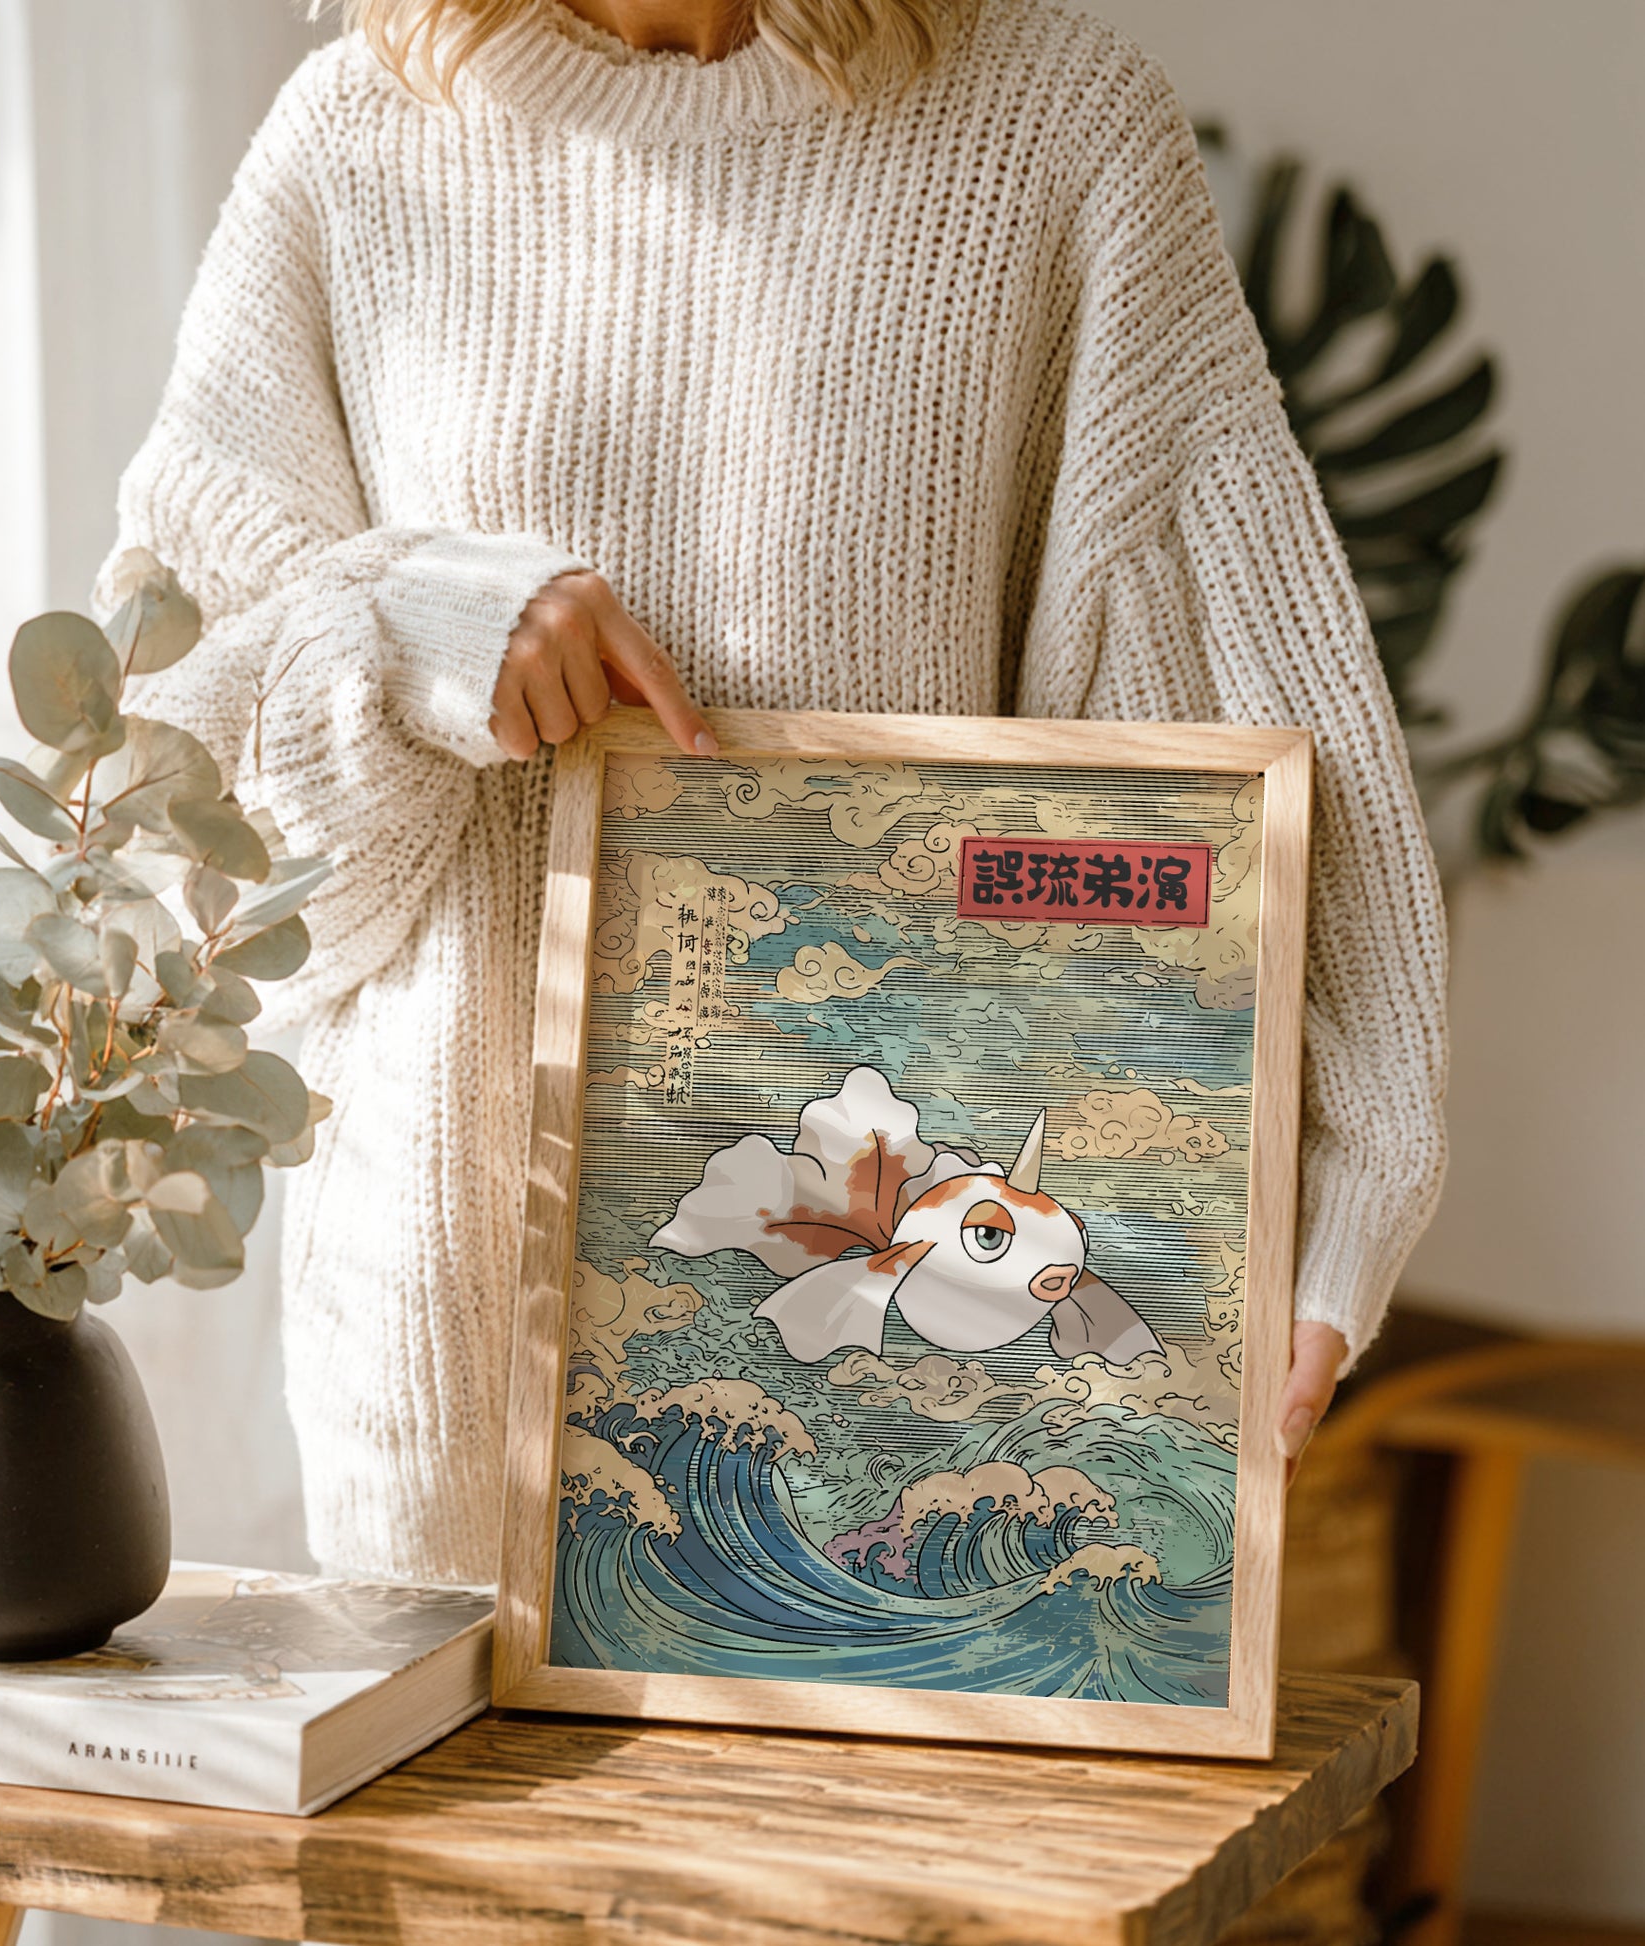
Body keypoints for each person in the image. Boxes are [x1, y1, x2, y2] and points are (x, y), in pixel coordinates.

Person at [96, 0, 1447, 1587]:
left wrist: (1337, 1178)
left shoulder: (1051, 127)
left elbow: (1228, 698)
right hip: (441, 1337)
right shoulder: (354, 140)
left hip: (926, 1376)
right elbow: (168, 829)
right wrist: (410, 624)